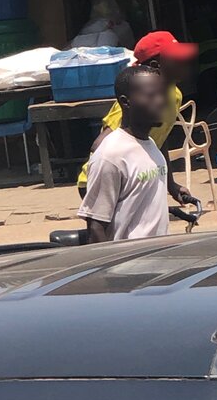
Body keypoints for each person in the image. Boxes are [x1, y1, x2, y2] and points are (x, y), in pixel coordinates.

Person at [76, 31, 197, 204]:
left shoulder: (175, 95)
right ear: (157, 66)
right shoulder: (134, 101)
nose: (184, 63)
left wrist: (170, 185)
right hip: (103, 181)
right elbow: (99, 145)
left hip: (135, 179)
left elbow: (158, 141)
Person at [78, 66, 173, 242]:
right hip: (131, 264)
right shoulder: (111, 155)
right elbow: (96, 226)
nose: (160, 101)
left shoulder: (150, 145)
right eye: (151, 95)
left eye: (161, 94)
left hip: (158, 258)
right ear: (126, 102)